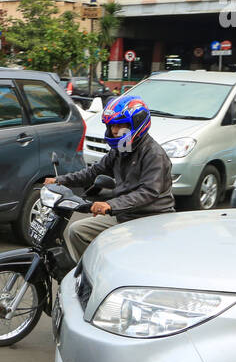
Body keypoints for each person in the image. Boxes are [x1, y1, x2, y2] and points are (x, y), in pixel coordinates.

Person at [44, 94, 174, 262]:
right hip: (125, 214)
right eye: (112, 125)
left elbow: (148, 192)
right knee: (77, 231)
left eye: (120, 125)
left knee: (85, 234)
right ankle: (89, 273)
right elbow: (95, 171)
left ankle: (99, 273)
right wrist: (61, 180)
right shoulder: (123, 147)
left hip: (148, 219)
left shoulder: (154, 154)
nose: (114, 130)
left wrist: (110, 204)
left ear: (136, 124)